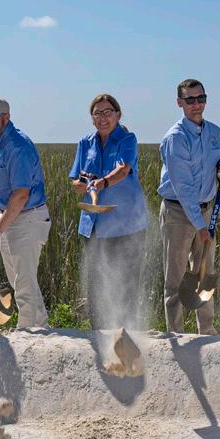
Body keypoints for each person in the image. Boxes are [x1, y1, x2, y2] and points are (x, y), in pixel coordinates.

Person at [69, 93, 149, 329]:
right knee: (95, 282)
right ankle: (99, 332)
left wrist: (102, 182)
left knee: (126, 282)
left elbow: (123, 170)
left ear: (118, 114)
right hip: (93, 224)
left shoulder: (127, 139)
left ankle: (126, 333)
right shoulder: (85, 143)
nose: (102, 118)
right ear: (91, 118)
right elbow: (75, 179)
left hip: (126, 224)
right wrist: (81, 185)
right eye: (97, 114)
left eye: (107, 112)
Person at [158, 78, 220, 335]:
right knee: (175, 277)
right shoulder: (175, 138)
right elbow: (183, 187)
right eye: (190, 100)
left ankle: (207, 330)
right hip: (178, 212)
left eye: (200, 98)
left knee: (205, 273)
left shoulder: (215, 133)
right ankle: (175, 333)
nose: (196, 104)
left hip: (206, 209)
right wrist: (200, 226)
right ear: (180, 103)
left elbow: (215, 162)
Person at [0, 96, 50, 329]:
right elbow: (1, 170)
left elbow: (21, 195)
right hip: (10, 217)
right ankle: (41, 326)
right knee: (20, 281)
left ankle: (26, 332)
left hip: (27, 218)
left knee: (24, 284)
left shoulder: (18, 146)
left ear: (6, 118)